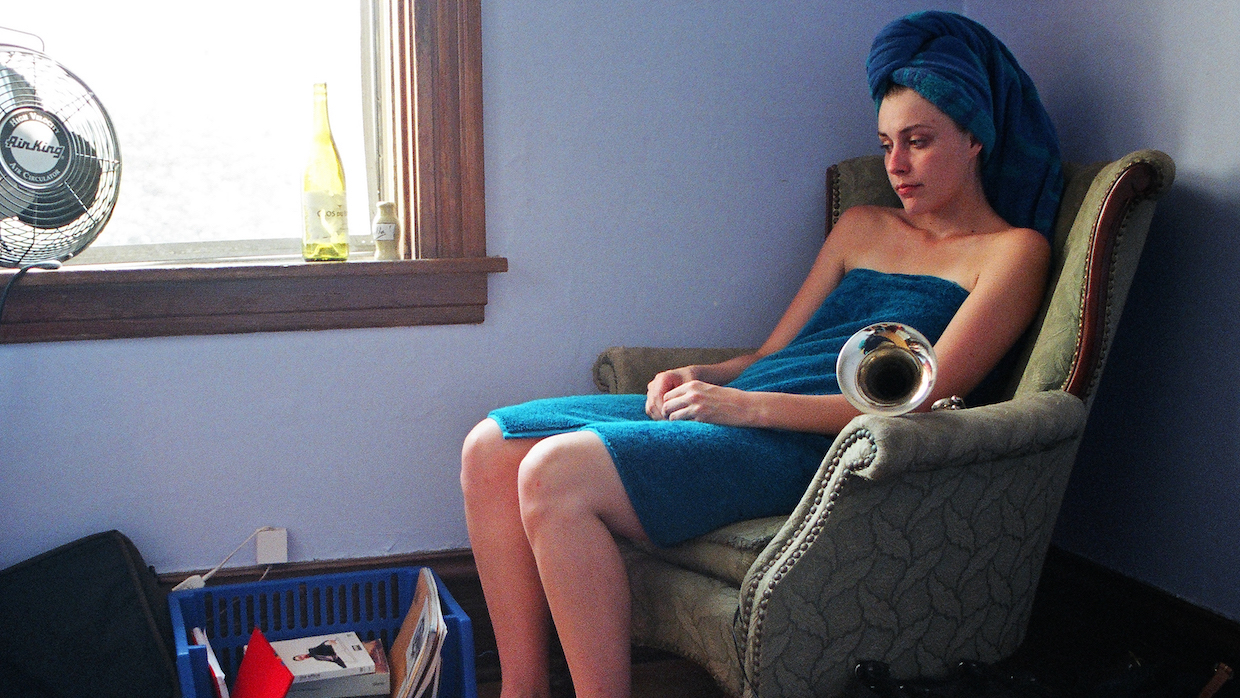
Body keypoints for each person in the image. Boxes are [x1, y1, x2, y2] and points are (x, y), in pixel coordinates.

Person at [460, 11, 1062, 698]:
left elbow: (917, 402)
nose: (895, 165)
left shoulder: (1013, 254)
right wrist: (705, 377)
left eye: (919, 142)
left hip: (813, 446)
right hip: (741, 409)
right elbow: (775, 352)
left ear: (975, 136)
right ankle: (521, 689)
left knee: (554, 472)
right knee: (488, 446)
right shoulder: (863, 225)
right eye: (888, 142)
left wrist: (741, 406)